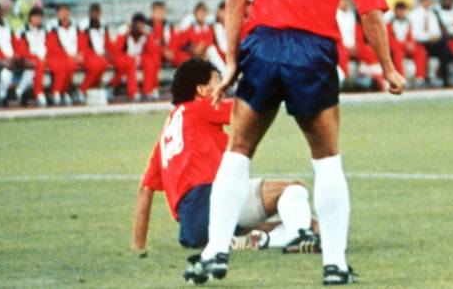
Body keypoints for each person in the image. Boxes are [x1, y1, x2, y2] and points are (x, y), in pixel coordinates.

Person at [188, 0, 403, 286]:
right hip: (312, 49)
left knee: (238, 151)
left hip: (263, 45)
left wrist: (231, 61)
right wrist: (389, 67)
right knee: (326, 160)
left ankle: (214, 252)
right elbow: (370, 13)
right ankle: (335, 265)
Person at [133, 59, 321, 256]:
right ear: (201, 90)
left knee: (311, 223)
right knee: (293, 190)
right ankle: (295, 238)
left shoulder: (167, 134)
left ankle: (280, 236)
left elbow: (145, 190)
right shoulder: (199, 108)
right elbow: (248, 108)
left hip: (192, 229)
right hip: (211, 201)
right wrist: (285, 83)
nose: (223, 86)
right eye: (217, 80)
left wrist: (139, 246)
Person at [0, 3, 33, 106]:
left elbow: (16, 44)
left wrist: (18, 55)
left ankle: (19, 92)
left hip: (11, 58)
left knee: (31, 67)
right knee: (7, 70)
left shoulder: (7, 26)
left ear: (3, 13)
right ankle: (2, 96)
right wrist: (4, 60)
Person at [408, 0, 453, 87]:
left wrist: (434, 37)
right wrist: (429, 37)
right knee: (444, 48)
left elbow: (436, 30)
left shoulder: (431, 14)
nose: (428, 3)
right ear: (422, 1)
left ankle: (444, 76)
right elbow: (415, 34)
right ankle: (441, 76)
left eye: (429, 1)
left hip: (432, 43)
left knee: (444, 49)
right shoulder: (414, 15)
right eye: (426, 1)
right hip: (420, 42)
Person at [109, 13, 155, 102]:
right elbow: (116, 50)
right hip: (124, 57)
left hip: (138, 57)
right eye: (136, 25)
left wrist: (149, 36)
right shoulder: (124, 30)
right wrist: (125, 35)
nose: (138, 28)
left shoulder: (148, 31)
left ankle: (147, 91)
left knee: (149, 61)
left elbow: (152, 51)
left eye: (141, 25)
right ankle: (133, 93)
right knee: (130, 61)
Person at [44, 4, 82, 106]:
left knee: (71, 65)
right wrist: (68, 56)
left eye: (66, 11)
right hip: (56, 56)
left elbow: (81, 42)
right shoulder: (52, 27)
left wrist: (80, 53)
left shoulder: (75, 26)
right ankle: (58, 92)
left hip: (73, 56)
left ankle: (64, 91)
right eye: (61, 12)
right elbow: (52, 45)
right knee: (64, 65)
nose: (64, 14)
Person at [14, 7, 49, 106]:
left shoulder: (45, 30)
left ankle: (19, 91)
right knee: (37, 64)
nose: (38, 19)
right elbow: (21, 49)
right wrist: (36, 56)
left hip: (43, 57)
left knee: (33, 70)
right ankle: (39, 93)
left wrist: (44, 55)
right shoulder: (23, 31)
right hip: (28, 57)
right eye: (36, 17)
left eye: (40, 17)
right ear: (31, 18)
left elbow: (48, 45)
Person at [77, 3, 111, 103]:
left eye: (97, 12)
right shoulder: (83, 26)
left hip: (100, 55)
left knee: (103, 64)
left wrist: (106, 53)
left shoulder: (103, 25)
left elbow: (107, 42)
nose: (95, 15)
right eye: (93, 12)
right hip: (88, 55)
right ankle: (82, 90)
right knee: (96, 65)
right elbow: (82, 43)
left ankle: (94, 88)